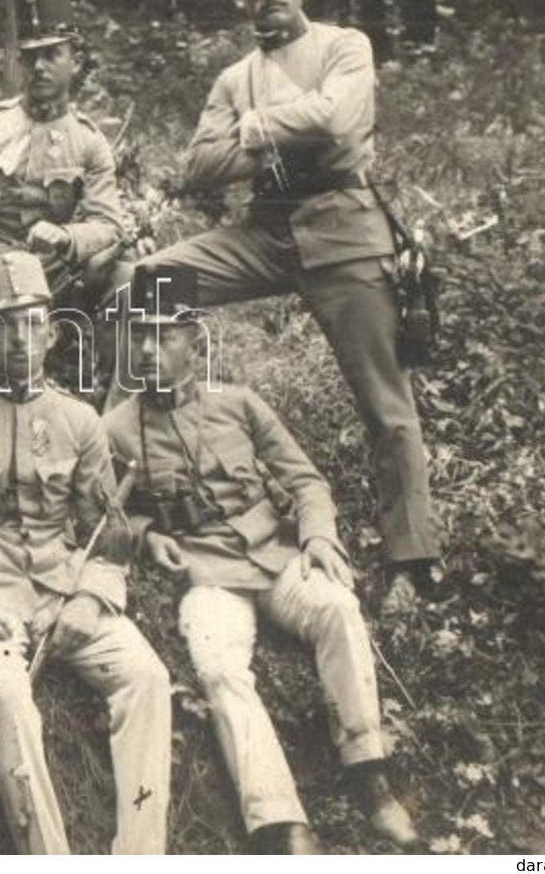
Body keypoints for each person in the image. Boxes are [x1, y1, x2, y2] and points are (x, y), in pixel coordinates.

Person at [117, 0, 440, 611]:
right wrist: (286, 129)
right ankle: (124, 462)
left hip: (344, 229)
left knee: (386, 402)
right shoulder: (236, 74)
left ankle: (410, 559)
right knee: (147, 282)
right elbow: (199, 165)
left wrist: (257, 126)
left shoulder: (344, 46)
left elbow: (338, 120)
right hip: (264, 232)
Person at [103, 263, 419, 854]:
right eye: (137, 335)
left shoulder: (240, 404)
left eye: (162, 335)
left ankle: (370, 778)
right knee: (219, 668)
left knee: (337, 609)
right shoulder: (116, 429)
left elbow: (306, 482)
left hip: (276, 557)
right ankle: (282, 823)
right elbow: (106, 513)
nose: (146, 349)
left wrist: (320, 538)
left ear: (194, 344)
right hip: (209, 575)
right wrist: (148, 533)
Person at [0, 252, 172, 855]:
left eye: (33, 323)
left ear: (51, 330)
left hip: (63, 589)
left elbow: (109, 533)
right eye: (5, 323)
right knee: (4, 693)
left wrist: (90, 596)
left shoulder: (79, 422)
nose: (21, 339)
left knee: (147, 678)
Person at [0, 0, 127, 305]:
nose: (38, 66)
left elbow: (108, 226)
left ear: (75, 62)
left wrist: (67, 237)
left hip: (56, 275)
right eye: (31, 57)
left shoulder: (89, 142)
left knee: (131, 279)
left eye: (51, 55)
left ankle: (89, 345)